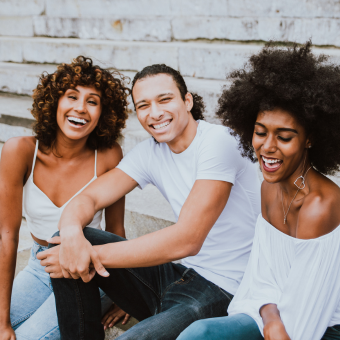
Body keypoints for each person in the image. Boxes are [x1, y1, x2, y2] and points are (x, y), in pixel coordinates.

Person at [40, 64, 261, 340]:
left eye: (164, 99)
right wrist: (73, 235)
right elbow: (89, 196)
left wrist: (87, 257)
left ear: (187, 101)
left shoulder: (218, 142)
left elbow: (188, 239)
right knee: (64, 239)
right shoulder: (150, 152)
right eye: (143, 105)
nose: (154, 113)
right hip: (176, 275)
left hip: (223, 289)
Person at [177, 42, 340, 340]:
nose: (267, 147)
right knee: (198, 333)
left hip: (320, 327)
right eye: (261, 132)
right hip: (272, 313)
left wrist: (274, 322)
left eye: (285, 136)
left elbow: (304, 322)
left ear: (310, 139)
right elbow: (263, 276)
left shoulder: (321, 206)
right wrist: (270, 315)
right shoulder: (269, 186)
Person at [0, 56, 131, 340]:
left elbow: (116, 231)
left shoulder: (108, 156)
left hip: (87, 272)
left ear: (103, 113)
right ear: (54, 102)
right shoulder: (19, 151)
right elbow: (7, 236)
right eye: (71, 96)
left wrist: (125, 296)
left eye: (92, 101)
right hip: (39, 265)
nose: (80, 108)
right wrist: (2, 323)